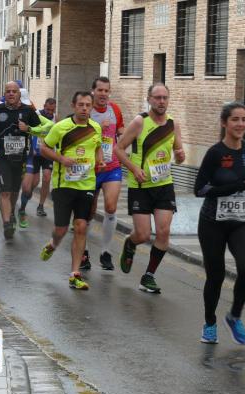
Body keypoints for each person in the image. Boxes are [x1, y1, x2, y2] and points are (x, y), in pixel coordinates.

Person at [194, 102, 245, 345]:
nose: (240, 124)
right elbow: (200, 189)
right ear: (224, 123)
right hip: (212, 223)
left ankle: (234, 315)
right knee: (216, 277)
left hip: (239, 221)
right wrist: (231, 188)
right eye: (235, 120)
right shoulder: (215, 153)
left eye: (244, 120)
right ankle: (209, 323)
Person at [114, 83, 185, 294]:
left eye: (165, 98)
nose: (161, 101)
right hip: (141, 186)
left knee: (163, 232)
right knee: (143, 234)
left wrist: (181, 156)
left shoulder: (173, 124)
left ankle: (149, 276)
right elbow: (118, 149)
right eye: (157, 97)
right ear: (149, 99)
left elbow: (179, 152)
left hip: (164, 184)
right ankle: (130, 242)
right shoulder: (139, 122)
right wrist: (134, 169)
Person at [39, 91, 104, 290]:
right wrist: (61, 159)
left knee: (81, 226)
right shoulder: (62, 127)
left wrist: (100, 159)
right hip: (63, 185)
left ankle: (75, 273)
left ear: (91, 107)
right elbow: (44, 147)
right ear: (74, 106)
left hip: (86, 185)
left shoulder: (96, 128)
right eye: (81, 105)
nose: (85, 108)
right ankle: (53, 243)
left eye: (88, 105)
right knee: (61, 229)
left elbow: (98, 147)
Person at [78, 77, 125, 271]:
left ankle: (106, 252)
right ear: (93, 91)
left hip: (112, 166)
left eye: (107, 91)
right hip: (91, 168)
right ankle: (84, 251)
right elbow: (78, 136)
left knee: (111, 207)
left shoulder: (115, 109)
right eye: (100, 90)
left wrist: (123, 137)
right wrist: (98, 130)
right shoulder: (86, 111)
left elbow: (121, 131)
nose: (103, 94)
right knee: (88, 212)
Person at [0, 81, 40, 239]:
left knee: (14, 191)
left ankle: (11, 213)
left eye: (14, 91)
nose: (11, 93)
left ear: (19, 94)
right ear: (4, 94)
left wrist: (29, 129)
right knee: (4, 191)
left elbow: (42, 130)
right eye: (8, 91)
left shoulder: (28, 111)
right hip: (2, 157)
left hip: (21, 158)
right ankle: (7, 224)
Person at [18, 98, 56, 227]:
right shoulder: (36, 115)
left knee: (46, 177)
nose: (50, 112)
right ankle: (24, 203)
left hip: (47, 153)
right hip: (34, 153)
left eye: (52, 110)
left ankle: (40, 206)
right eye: (48, 109)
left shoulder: (56, 118)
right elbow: (29, 131)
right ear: (43, 106)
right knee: (30, 186)